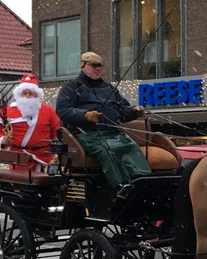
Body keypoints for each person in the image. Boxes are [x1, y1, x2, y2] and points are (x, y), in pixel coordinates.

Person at [55, 51, 152, 190]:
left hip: (114, 132)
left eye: (99, 66)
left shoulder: (108, 88)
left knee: (131, 147)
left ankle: (143, 183)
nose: (97, 69)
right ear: (83, 65)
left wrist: (133, 111)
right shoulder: (71, 87)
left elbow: (123, 110)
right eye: (93, 65)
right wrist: (85, 115)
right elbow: (62, 110)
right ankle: (121, 188)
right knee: (108, 150)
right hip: (88, 133)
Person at [0, 74, 61, 172]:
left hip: (45, 158)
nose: (27, 96)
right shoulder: (7, 112)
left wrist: (56, 152)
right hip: (20, 159)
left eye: (31, 93)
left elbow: (56, 133)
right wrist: (3, 140)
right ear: (19, 94)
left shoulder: (49, 112)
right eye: (25, 93)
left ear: (37, 95)